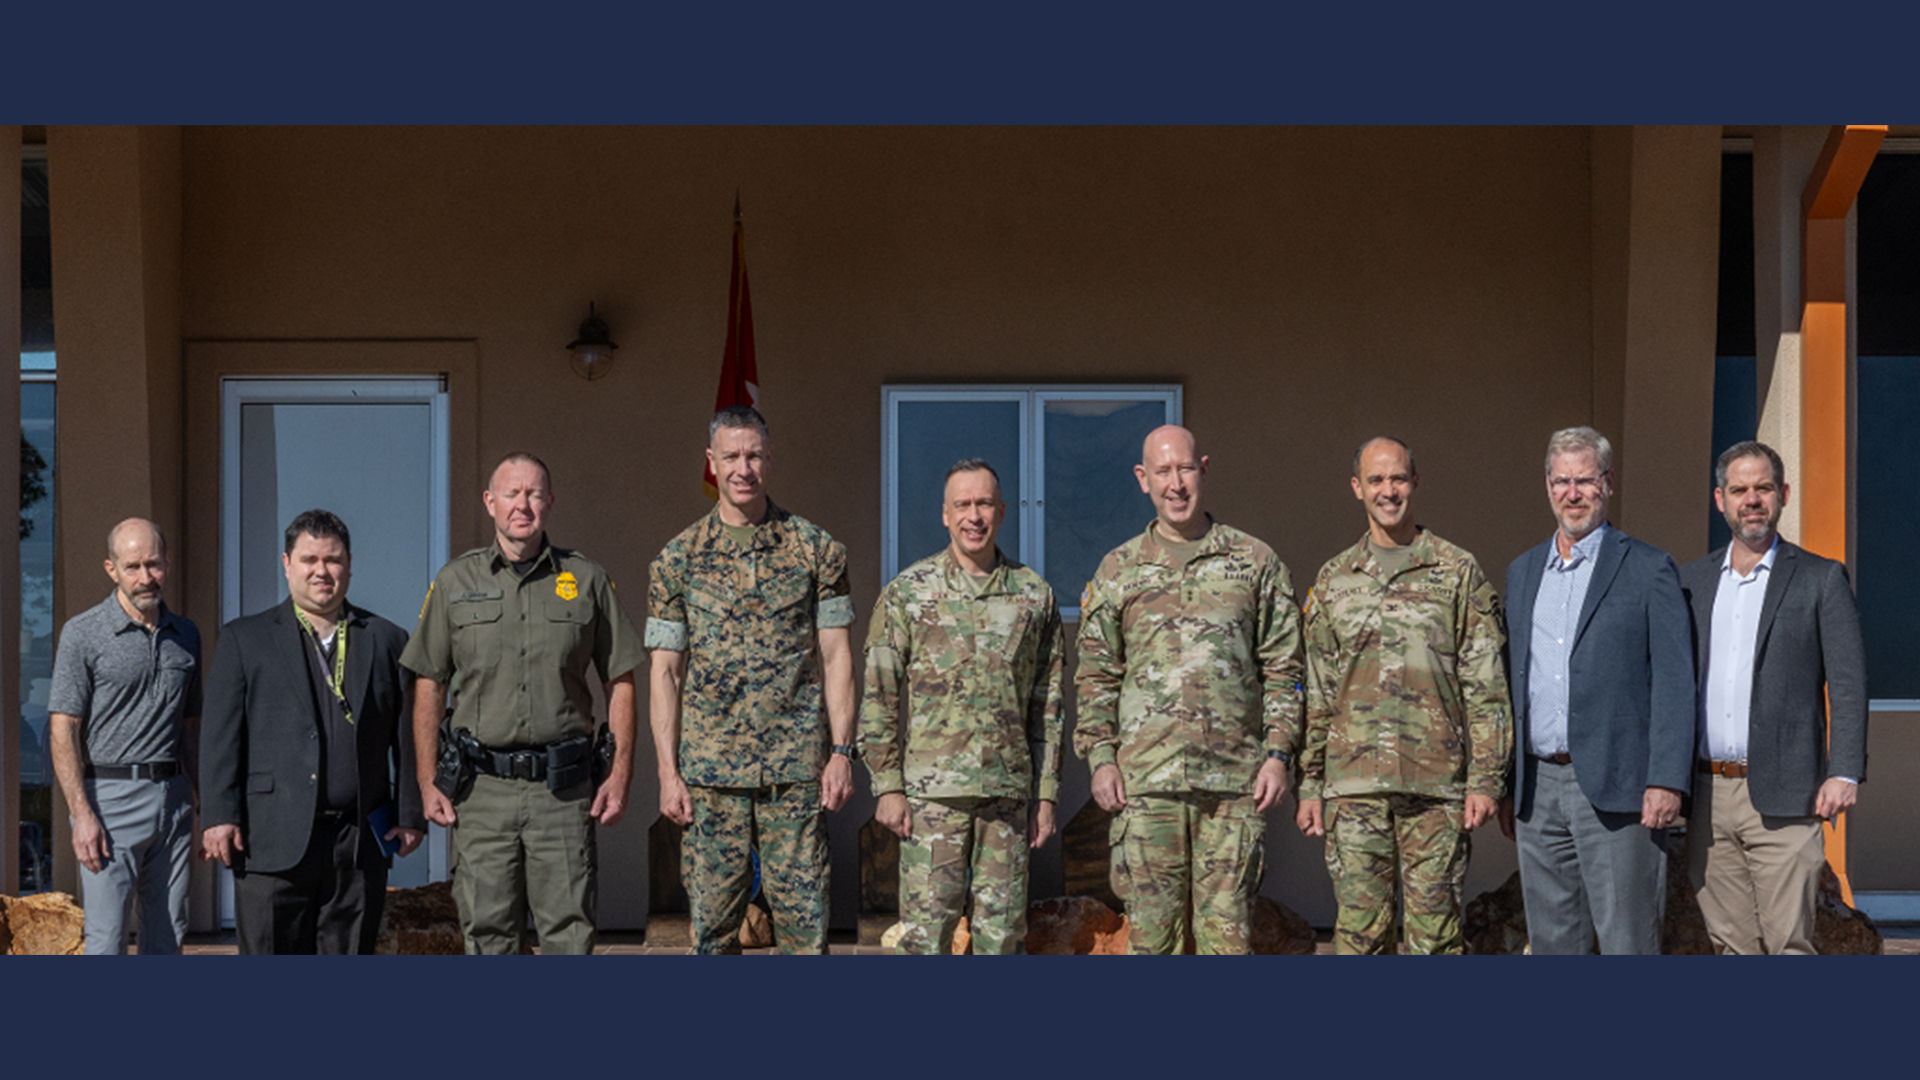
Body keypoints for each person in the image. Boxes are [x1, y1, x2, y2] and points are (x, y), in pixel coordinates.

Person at [1073, 425, 1303, 955]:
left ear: (1203, 469)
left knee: (1228, 943)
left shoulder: (1254, 562)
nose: (1175, 484)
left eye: (1184, 469)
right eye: (1162, 471)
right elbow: (1096, 674)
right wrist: (1101, 759)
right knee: (1152, 943)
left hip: (1233, 787)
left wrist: (1278, 755)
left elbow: (1285, 667)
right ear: (1143, 479)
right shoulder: (1118, 569)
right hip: (1145, 785)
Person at [402, 453, 642, 954]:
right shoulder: (455, 583)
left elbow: (620, 679)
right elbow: (429, 684)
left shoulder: (587, 580)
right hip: (482, 793)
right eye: (511, 493)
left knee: (569, 937)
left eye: (534, 493)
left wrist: (619, 775)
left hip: (563, 793)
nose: (522, 505)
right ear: (490, 502)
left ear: (549, 502)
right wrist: (426, 781)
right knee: (489, 938)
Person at [647, 405, 857, 955]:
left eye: (754, 456)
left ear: (770, 459)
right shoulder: (677, 560)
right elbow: (665, 672)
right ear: (711, 462)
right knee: (713, 936)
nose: (743, 468)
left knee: (805, 937)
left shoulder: (816, 550)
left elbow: (837, 656)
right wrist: (668, 773)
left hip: (795, 774)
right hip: (710, 778)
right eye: (732, 457)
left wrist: (841, 752)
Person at [1295, 437, 1511, 954]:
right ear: (1357, 488)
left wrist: (1487, 779)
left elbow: (1486, 685)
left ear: (1415, 481)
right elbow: (1318, 691)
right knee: (1359, 940)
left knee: (1435, 942)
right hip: (1353, 789)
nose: (1387, 491)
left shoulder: (1457, 571)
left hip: (1434, 788)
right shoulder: (1334, 579)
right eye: (1375, 480)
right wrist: (1310, 783)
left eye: (1397, 478)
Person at [859, 458, 1064, 954]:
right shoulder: (908, 594)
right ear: (945, 515)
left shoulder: (1033, 596)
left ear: (1003, 511)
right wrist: (887, 785)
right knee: (925, 939)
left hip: (1006, 797)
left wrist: (1046, 794)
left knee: (1003, 940)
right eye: (963, 505)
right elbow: (880, 696)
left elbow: (1048, 706)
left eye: (984, 504)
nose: (974, 516)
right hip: (932, 799)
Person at [1501, 426, 1693, 954]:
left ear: (1607, 483)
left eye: (1585, 480)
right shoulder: (1522, 572)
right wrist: (1508, 783)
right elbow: (1512, 680)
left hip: (1619, 788)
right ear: (1547, 486)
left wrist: (1666, 779)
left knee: (1627, 941)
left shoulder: (1648, 568)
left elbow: (1675, 682)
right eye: (1562, 481)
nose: (1573, 493)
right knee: (1553, 944)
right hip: (1538, 789)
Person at [200, 510, 424, 954]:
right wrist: (219, 815)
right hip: (269, 841)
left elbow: (408, 735)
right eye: (309, 560)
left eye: (333, 560)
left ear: (349, 565)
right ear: (287, 564)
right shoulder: (245, 639)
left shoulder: (387, 639)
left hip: (357, 843)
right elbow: (220, 737)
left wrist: (410, 813)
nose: (322, 571)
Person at [1680, 440, 1867, 954]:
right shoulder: (1690, 583)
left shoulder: (1820, 579)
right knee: (1730, 946)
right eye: (1739, 490)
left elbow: (1848, 682)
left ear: (1782, 495)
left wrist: (1844, 770)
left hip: (1788, 794)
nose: (1752, 500)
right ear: (1720, 499)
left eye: (1763, 488)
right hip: (1708, 795)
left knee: (1789, 946)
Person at [47, 519, 201, 955]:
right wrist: (81, 814)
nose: (145, 577)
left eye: (153, 564)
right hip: (108, 801)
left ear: (167, 563)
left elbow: (191, 725)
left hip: (173, 799)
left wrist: (201, 797)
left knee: (168, 936)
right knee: (107, 940)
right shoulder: (83, 632)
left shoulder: (186, 635)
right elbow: (63, 727)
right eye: (132, 566)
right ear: (111, 569)